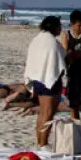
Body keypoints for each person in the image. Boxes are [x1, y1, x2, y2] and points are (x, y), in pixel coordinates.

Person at [24, 16, 66, 147]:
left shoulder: (37, 39)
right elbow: (61, 61)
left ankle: (39, 141)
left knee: (42, 112)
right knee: (48, 113)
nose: (61, 28)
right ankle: (43, 143)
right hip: (49, 80)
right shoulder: (52, 42)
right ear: (55, 27)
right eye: (59, 26)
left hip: (38, 79)